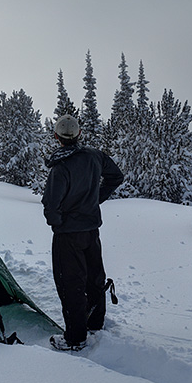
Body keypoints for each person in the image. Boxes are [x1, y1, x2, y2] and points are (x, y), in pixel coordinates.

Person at [42, 114, 124, 351]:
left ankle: (76, 338)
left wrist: (58, 224)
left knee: (71, 284)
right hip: (91, 231)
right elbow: (115, 177)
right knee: (94, 278)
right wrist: (95, 199)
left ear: (57, 137)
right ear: (79, 134)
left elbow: (51, 205)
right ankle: (95, 323)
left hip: (68, 235)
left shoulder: (60, 168)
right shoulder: (94, 156)